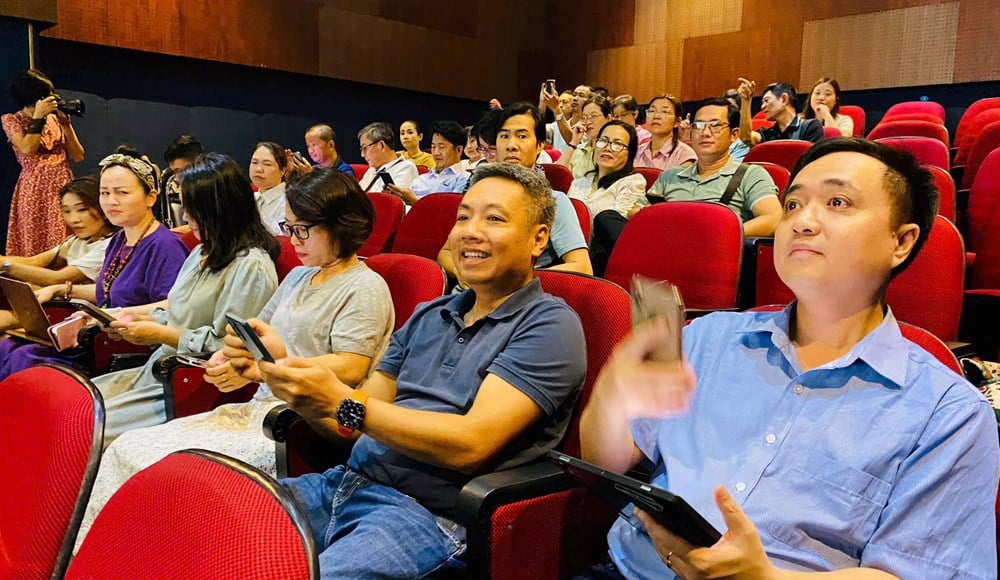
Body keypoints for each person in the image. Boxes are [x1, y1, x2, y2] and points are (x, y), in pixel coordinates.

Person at [578, 137, 999, 580]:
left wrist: (763, 577)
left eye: (837, 202)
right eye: (793, 204)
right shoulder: (705, 338)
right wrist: (611, 396)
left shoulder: (948, 413)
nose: (802, 221)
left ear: (901, 241)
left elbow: (913, 572)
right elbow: (609, 462)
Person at [258, 162, 586, 577]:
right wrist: (293, 385)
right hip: (345, 483)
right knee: (211, 527)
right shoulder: (430, 314)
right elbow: (350, 426)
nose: (470, 231)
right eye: (463, 217)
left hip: (424, 514)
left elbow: (471, 443)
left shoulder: (549, 325)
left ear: (538, 239)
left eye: (494, 219)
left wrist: (342, 400)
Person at [75, 168, 394, 550]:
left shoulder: (364, 286)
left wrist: (268, 369)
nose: (293, 240)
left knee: (155, 466)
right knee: (127, 447)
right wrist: (233, 358)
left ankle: (143, 556)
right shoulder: (299, 277)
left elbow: (352, 365)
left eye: (302, 230)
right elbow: (256, 333)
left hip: (295, 421)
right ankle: (98, 559)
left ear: (340, 225)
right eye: (288, 227)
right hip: (259, 404)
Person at [90, 153, 280, 443]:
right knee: (74, 406)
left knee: (89, 430)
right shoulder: (203, 250)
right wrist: (131, 318)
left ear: (219, 209)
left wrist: (159, 333)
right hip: (159, 368)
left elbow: (230, 348)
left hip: (191, 382)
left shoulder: (251, 266)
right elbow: (178, 311)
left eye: (193, 209)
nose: (186, 217)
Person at [0, 146, 188, 380]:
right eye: (105, 193)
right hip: (97, 339)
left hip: (126, 347)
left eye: (122, 193)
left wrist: (111, 315)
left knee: (25, 357)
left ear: (150, 196)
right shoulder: (119, 239)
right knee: (9, 345)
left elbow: (173, 307)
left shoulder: (164, 245)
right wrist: (60, 289)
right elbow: (108, 290)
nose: (111, 201)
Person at [440, 102, 592, 279]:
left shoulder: (554, 201)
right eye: (504, 136)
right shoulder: (479, 194)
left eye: (522, 136)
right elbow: (445, 252)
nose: (511, 145)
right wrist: (463, 273)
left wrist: (513, 280)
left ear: (540, 145)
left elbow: (581, 267)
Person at [633, 98, 782, 237]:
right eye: (698, 126)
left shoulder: (750, 175)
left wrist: (717, 234)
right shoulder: (671, 176)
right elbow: (636, 211)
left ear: (734, 134)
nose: (705, 133)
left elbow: (773, 219)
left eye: (715, 125)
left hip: (717, 250)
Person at [0, 176, 115, 331]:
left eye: (82, 210)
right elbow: (35, 262)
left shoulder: (108, 245)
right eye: (66, 211)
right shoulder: (76, 240)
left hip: (77, 314)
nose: (73, 219)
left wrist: (5, 266)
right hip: (54, 305)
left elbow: (57, 278)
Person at [2, 70, 85, 256]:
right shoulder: (12, 120)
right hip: (35, 189)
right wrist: (38, 119)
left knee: (64, 237)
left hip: (62, 184)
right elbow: (27, 148)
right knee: (35, 238)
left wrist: (66, 124)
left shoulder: (55, 119)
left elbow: (78, 155)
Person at [567, 121, 645, 277]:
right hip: (568, 251)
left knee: (605, 219)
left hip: (602, 259)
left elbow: (613, 225)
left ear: (629, 153)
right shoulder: (578, 183)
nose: (607, 148)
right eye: (603, 141)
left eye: (617, 144)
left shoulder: (632, 182)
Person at [385, 121, 471, 206]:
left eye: (441, 147)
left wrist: (415, 202)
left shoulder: (464, 179)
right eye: (433, 147)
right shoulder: (420, 179)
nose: (436, 153)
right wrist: (395, 198)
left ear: (458, 150)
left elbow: (450, 211)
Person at [739, 79, 824, 146]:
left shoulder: (810, 127)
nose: (762, 106)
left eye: (767, 100)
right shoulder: (767, 134)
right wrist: (746, 101)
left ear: (784, 99)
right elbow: (746, 138)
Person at [635, 95, 696, 171]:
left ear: (677, 122)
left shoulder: (684, 155)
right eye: (652, 111)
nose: (656, 116)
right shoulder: (636, 152)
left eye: (664, 112)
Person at [559, 96, 613, 179]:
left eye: (593, 116)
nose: (587, 122)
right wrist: (574, 142)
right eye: (584, 118)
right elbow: (558, 174)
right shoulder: (579, 149)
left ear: (608, 118)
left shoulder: (612, 151)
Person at [357, 122, 419, 193]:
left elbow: (396, 199)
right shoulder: (372, 170)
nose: (362, 154)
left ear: (381, 145)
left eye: (365, 148)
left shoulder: (405, 168)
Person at [249, 141, 288, 235]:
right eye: (254, 162)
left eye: (267, 164)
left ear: (282, 171)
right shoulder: (248, 198)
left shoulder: (290, 202)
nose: (258, 169)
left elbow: (287, 237)